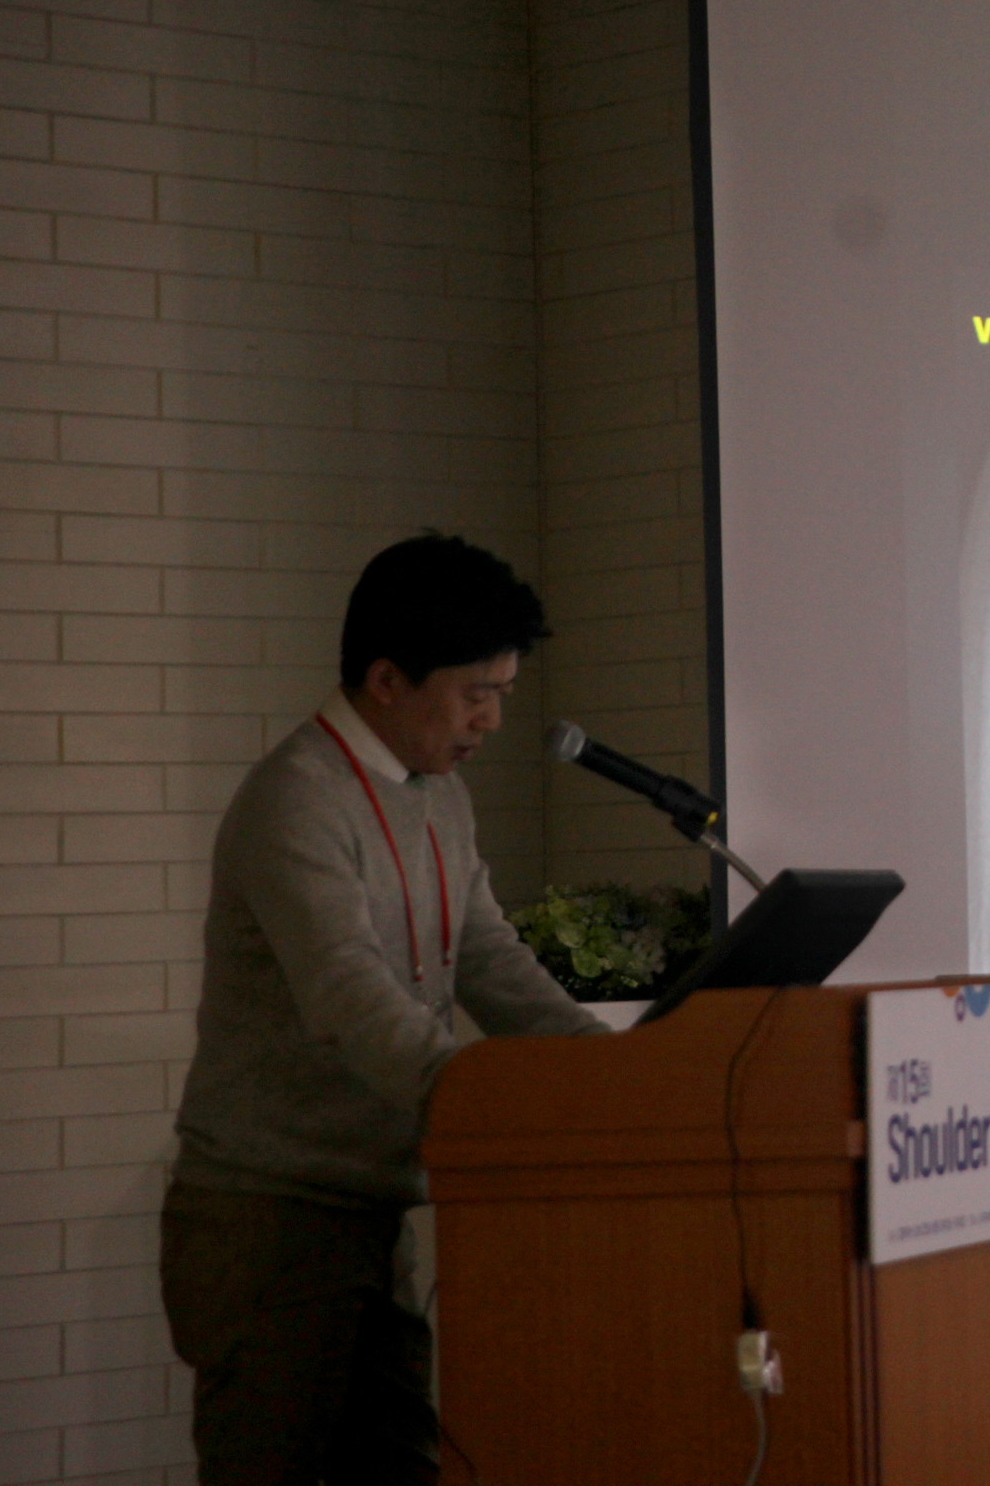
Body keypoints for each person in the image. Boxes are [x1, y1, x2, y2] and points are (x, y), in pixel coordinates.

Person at [162, 534, 610, 1485]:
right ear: (386, 680)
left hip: (371, 1209)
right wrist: (480, 1096)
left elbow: (488, 958)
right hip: (266, 1218)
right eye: (475, 693)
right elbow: (348, 994)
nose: (492, 720)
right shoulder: (297, 799)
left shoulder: (438, 795)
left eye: (503, 694)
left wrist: (612, 1070)